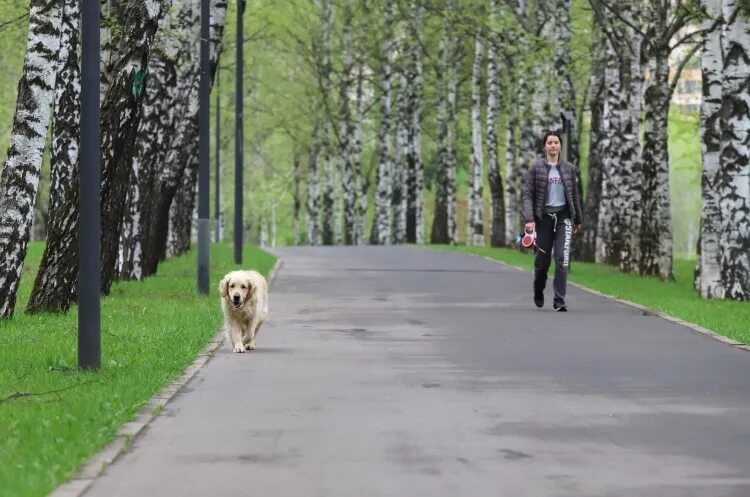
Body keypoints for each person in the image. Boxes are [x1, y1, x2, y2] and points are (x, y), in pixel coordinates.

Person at [521, 130, 583, 311]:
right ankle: (538, 288)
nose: (553, 145)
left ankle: (559, 299)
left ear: (560, 146)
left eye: (556, 142)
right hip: (544, 219)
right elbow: (527, 195)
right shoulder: (536, 168)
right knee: (543, 261)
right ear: (545, 146)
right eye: (550, 142)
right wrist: (529, 219)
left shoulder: (569, 169)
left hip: (564, 217)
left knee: (562, 259)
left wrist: (578, 219)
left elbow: (574, 196)